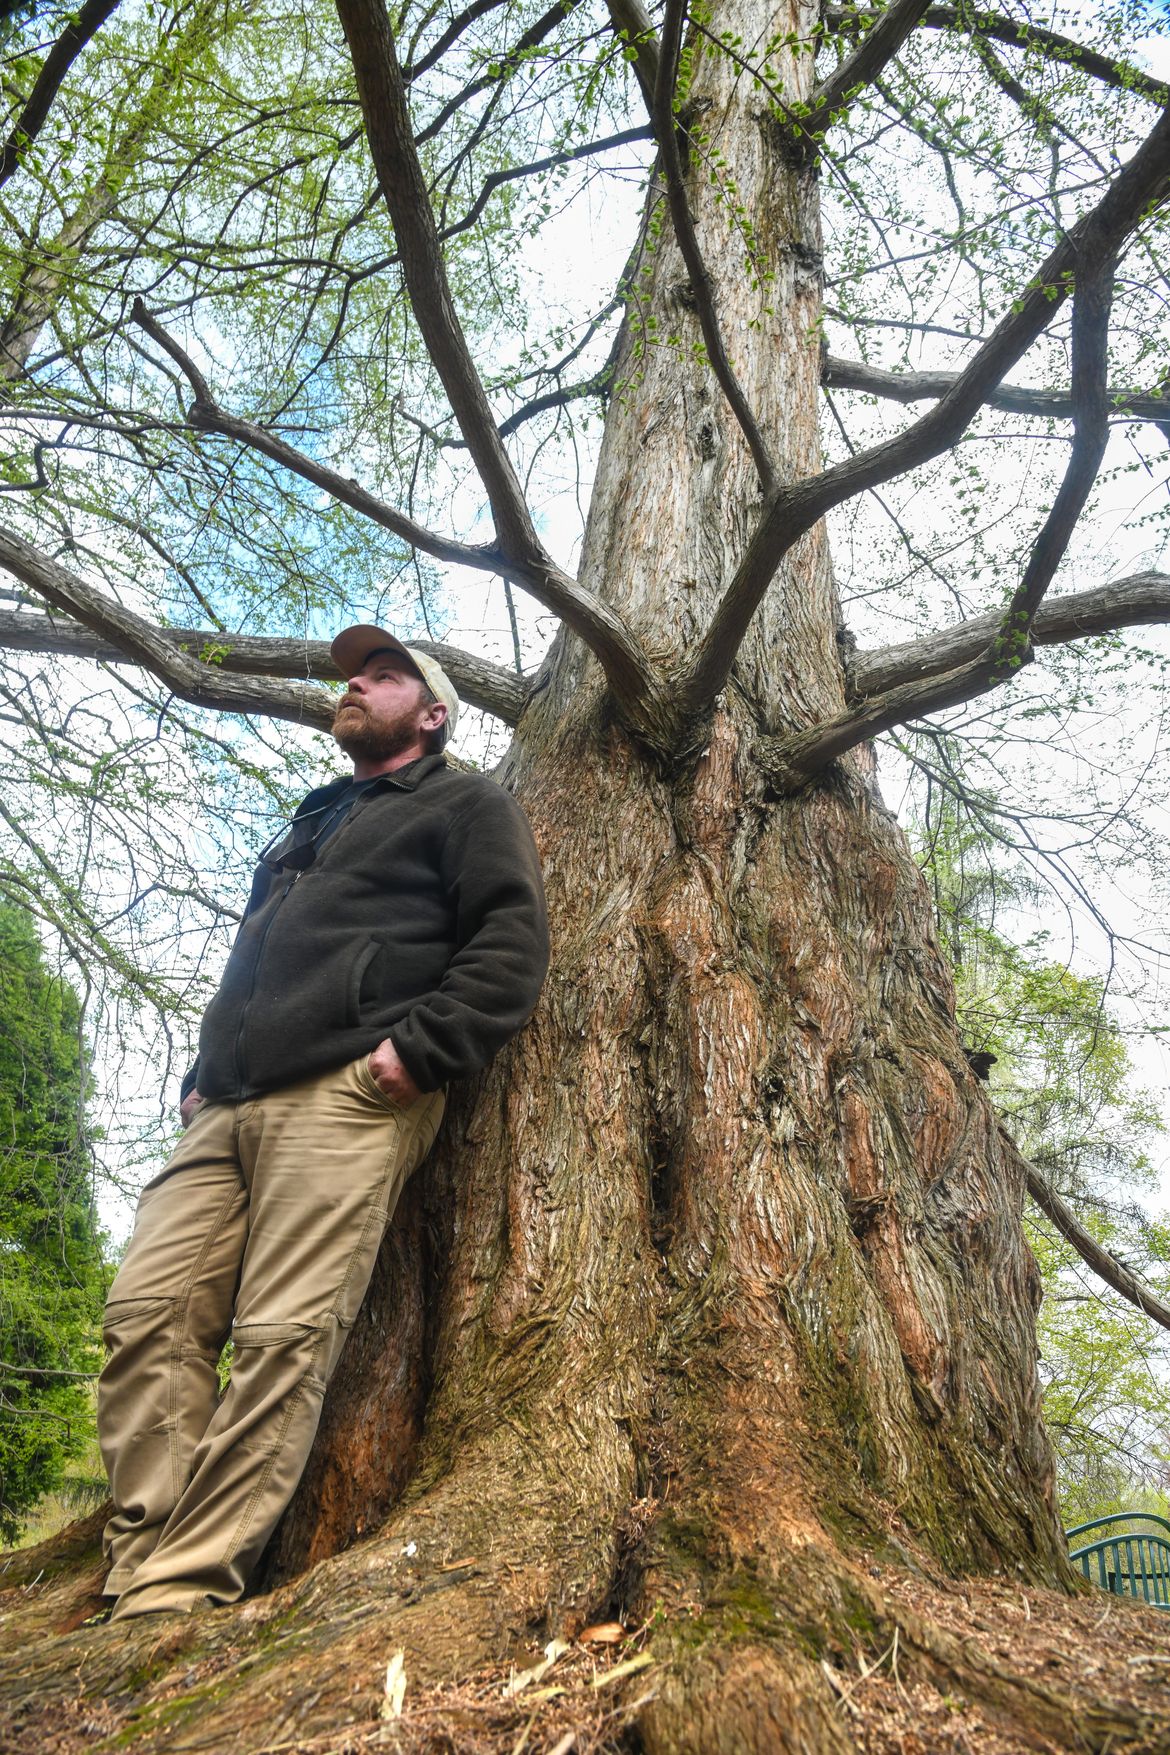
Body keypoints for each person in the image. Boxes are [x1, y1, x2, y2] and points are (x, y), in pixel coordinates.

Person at [97, 625, 549, 1620]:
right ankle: (135, 1559)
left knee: (279, 1337)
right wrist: (201, 1072)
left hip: (345, 1095)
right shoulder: (309, 819)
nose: (355, 683)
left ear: (432, 713)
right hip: (223, 1107)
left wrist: (412, 1057)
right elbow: (249, 967)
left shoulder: (465, 802)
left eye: (383, 676)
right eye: (352, 674)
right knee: (145, 1318)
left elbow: (510, 943)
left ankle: (176, 1594)